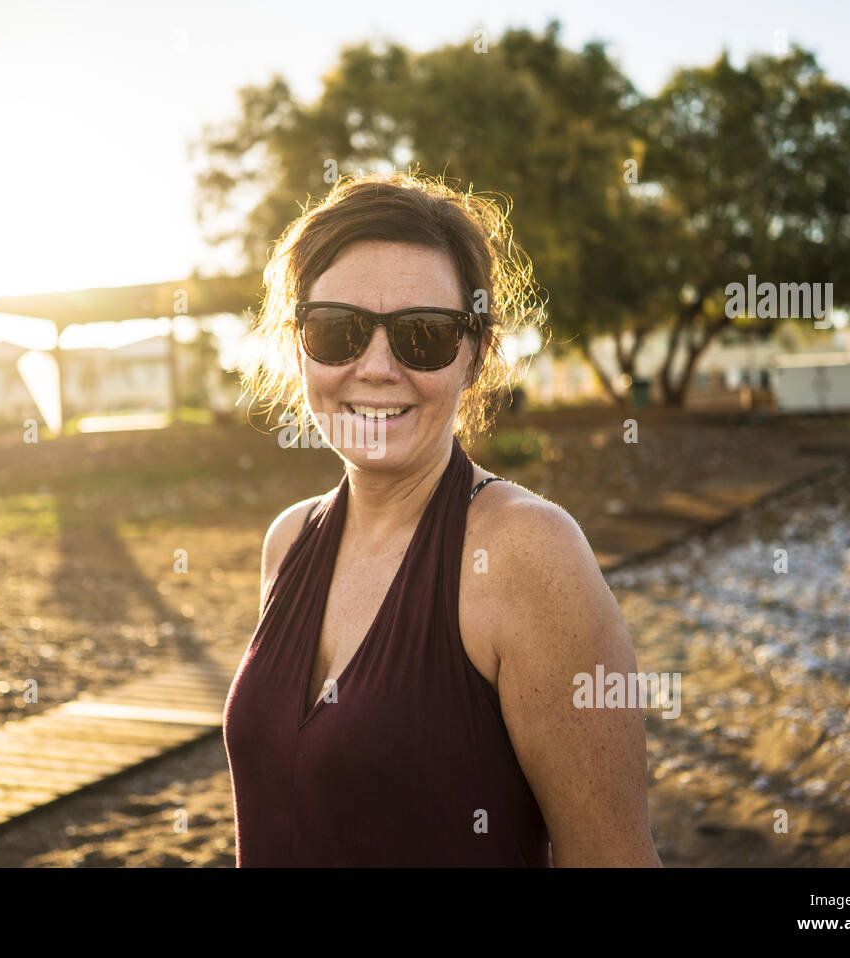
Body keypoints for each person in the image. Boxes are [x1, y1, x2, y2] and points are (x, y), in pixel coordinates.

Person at [222, 171, 661, 866]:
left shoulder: (528, 551)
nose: (375, 366)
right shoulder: (289, 540)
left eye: (422, 336)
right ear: (296, 343)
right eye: (337, 330)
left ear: (475, 354)